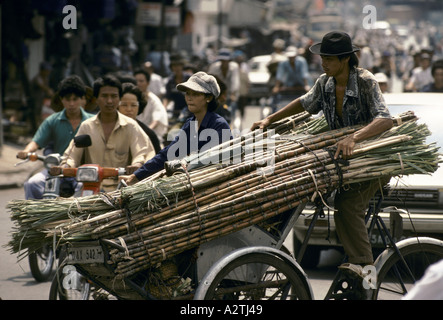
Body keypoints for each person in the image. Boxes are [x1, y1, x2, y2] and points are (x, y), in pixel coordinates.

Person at [251, 31, 393, 298]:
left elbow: (385, 119)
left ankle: (364, 266)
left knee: (348, 204)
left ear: (345, 59)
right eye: (322, 57)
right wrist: (269, 119)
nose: (323, 62)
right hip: (342, 161)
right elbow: (304, 104)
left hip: (370, 159)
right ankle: (355, 266)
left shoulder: (365, 81)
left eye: (328, 58)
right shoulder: (325, 83)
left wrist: (355, 137)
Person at [120, 71, 232, 185]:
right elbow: (167, 153)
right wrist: (137, 175)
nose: (189, 98)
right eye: (188, 93)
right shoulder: (190, 124)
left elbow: (216, 164)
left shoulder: (219, 125)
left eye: (196, 94)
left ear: (208, 98)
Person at [50, 74, 156, 191]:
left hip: (122, 189)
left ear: (119, 99)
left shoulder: (130, 126)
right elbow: (72, 155)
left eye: (114, 96)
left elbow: (142, 152)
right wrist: (65, 166)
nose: (109, 101)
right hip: (90, 188)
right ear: (96, 99)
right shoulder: (87, 126)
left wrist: (137, 165)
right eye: (104, 96)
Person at [17, 75, 94, 199]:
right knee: (32, 184)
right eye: (68, 99)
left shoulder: (92, 121)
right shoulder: (52, 120)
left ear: (82, 99)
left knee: (87, 191)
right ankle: (35, 218)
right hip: (56, 170)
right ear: (61, 100)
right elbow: (36, 141)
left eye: (75, 99)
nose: (72, 103)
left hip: (83, 172)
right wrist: (26, 151)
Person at [118, 82, 162, 153]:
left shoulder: (148, 134)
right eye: (124, 105)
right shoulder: (108, 129)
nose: (129, 109)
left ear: (139, 106)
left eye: (133, 105)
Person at [134, 68, 169, 147]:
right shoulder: (131, 99)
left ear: (148, 83)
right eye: (136, 81)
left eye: (141, 81)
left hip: (151, 138)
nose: (138, 84)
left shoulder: (154, 100)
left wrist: (144, 133)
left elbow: (155, 121)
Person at [207, 48, 240, 122]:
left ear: (229, 60)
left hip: (230, 95)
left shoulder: (234, 67)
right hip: (217, 95)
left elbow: (235, 81)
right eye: (222, 60)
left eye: (225, 61)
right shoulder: (214, 67)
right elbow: (209, 80)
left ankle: (230, 124)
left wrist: (233, 94)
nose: (224, 63)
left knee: (230, 111)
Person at [163, 54, 191, 119]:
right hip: (176, 111)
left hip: (190, 110)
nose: (177, 68)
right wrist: (163, 108)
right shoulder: (170, 81)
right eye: (174, 66)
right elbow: (167, 97)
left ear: (182, 66)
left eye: (179, 65)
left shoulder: (189, 78)